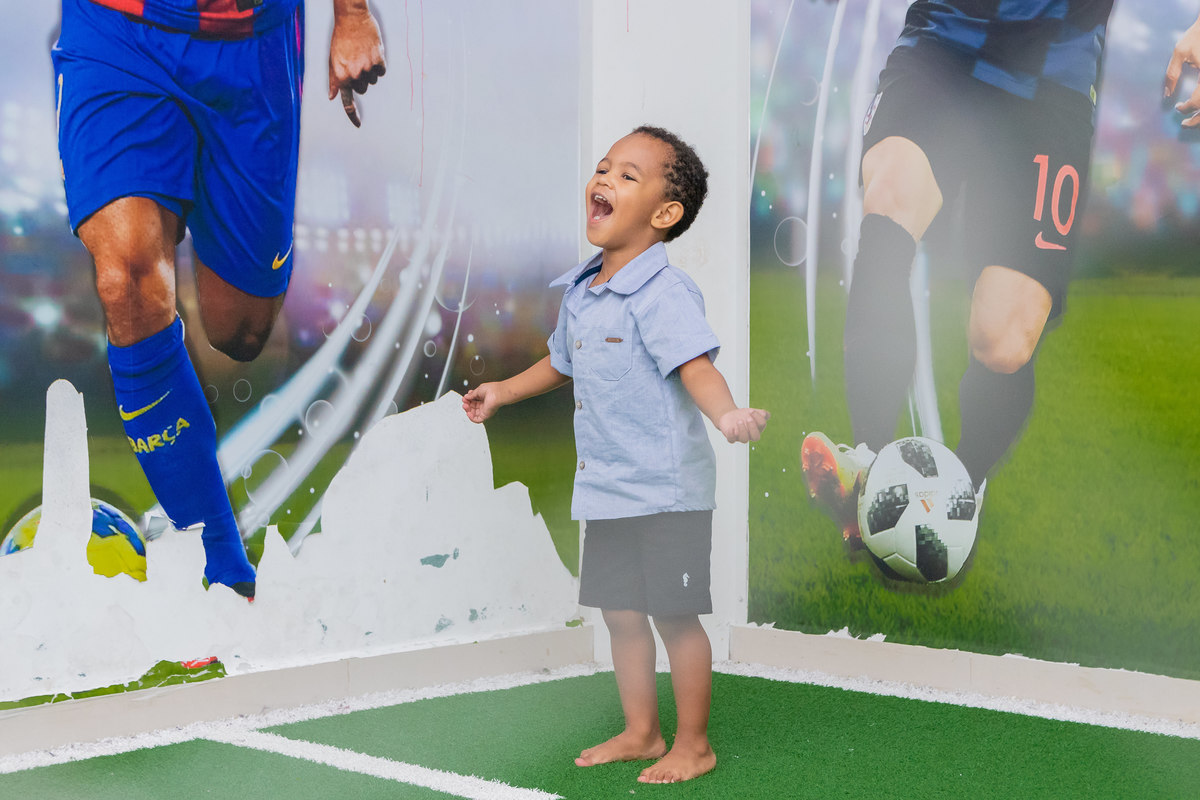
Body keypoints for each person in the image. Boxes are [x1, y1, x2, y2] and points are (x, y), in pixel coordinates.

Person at [463, 126, 769, 784]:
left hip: (665, 491)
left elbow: (696, 368)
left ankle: (694, 745)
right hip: (606, 488)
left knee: (674, 618)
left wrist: (727, 414)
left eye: (628, 175)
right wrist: (503, 392)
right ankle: (642, 732)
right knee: (621, 615)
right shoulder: (581, 292)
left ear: (664, 214)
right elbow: (561, 363)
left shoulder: (664, 294)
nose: (605, 179)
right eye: (604, 168)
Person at [52, 0, 387, 599]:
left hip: (249, 42)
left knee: (241, 330)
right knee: (126, 280)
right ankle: (224, 575)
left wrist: (353, 14)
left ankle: (191, 178)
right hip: (115, 30)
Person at [802, 1, 1120, 548]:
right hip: (941, 46)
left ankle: (959, 488)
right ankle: (868, 468)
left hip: (1051, 78)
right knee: (890, 200)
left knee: (1004, 342)